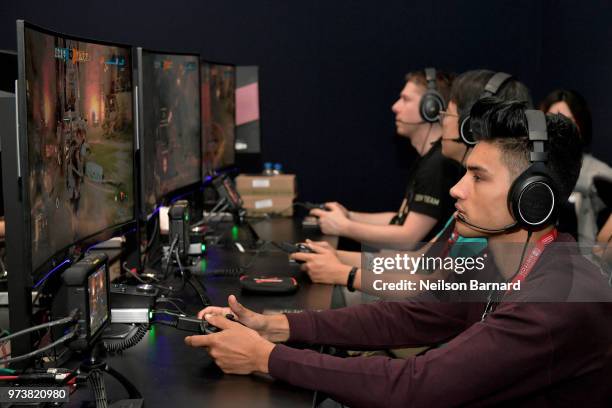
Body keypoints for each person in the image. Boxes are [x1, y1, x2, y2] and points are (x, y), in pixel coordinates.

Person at [185, 99, 612, 407]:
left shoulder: (556, 299)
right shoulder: (499, 258)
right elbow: (412, 316)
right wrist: (277, 327)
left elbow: (419, 386)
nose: (456, 189)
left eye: (478, 178)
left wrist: (266, 357)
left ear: (532, 199)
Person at [295, 70, 532, 291]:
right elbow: (423, 260)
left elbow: (431, 287)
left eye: (447, 114)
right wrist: (339, 258)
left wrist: (345, 274)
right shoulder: (471, 202)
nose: (456, 191)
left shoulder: (486, 214)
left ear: (469, 128)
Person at [312, 68, 462, 249]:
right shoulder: (429, 159)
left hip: (421, 273)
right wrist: (349, 216)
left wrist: (344, 227)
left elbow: (408, 238)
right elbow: (401, 219)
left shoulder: (437, 165)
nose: (395, 107)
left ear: (431, 108)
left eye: (406, 99)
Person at [540, 89, 612, 251]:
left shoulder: (596, 172)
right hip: (537, 260)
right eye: (551, 119)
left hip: (580, 262)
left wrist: (602, 249)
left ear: (581, 124)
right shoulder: (530, 166)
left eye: (568, 121)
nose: (559, 128)